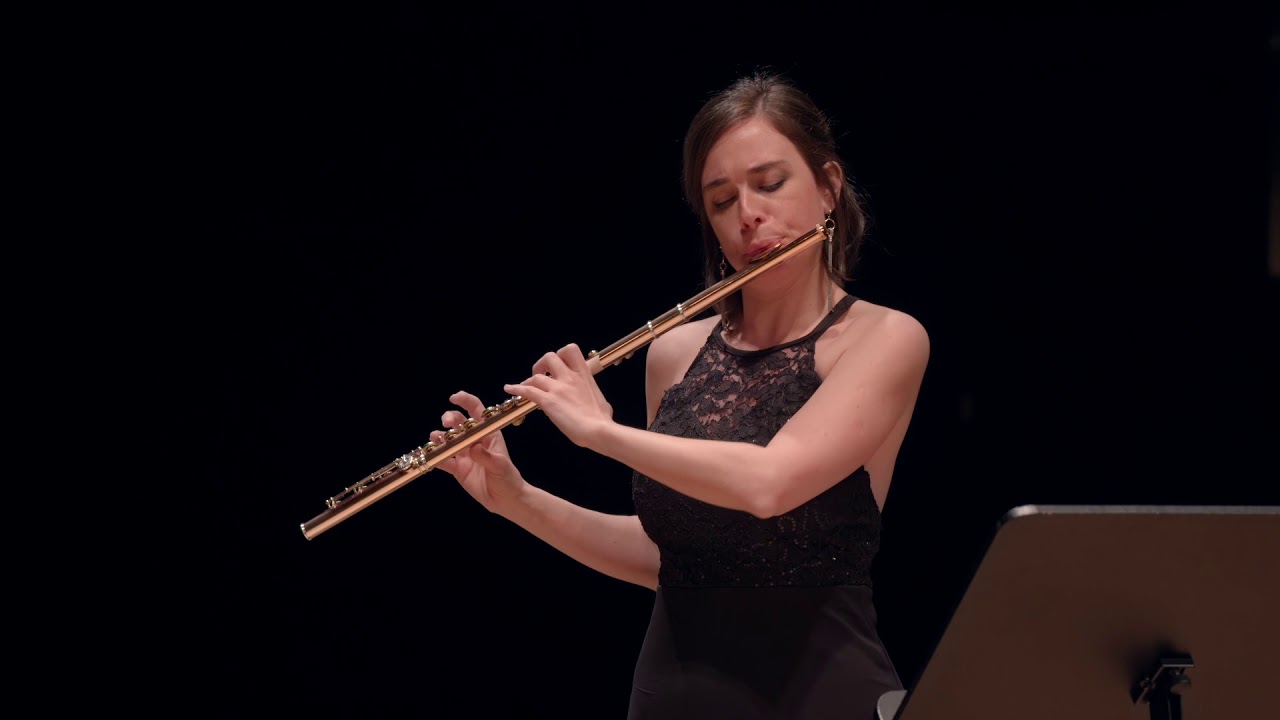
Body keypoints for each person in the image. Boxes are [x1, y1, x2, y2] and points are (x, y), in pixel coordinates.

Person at [430, 70, 930, 720]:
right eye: (722, 201)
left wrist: (599, 432)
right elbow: (670, 555)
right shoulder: (673, 354)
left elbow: (770, 484)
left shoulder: (886, 338)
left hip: (819, 699)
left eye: (771, 184)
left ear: (829, 187)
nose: (749, 213)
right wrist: (515, 499)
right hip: (669, 699)